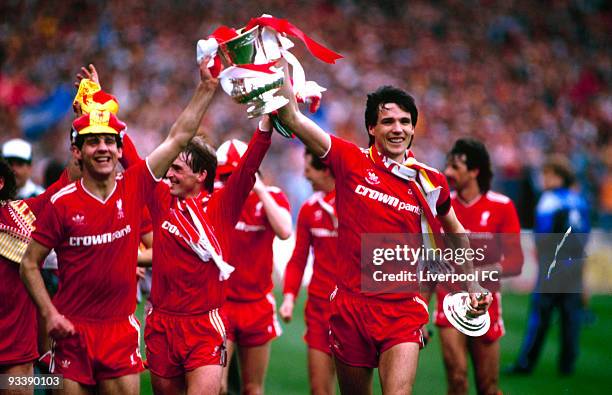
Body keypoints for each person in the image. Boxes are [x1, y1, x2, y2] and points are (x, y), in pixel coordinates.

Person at [276, 77, 492, 394]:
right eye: (387, 121)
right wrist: (279, 63)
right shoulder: (349, 160)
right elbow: (292, 118)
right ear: (372, 129)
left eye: (405, 121)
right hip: (350, 309)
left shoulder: (429, 180)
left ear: (413, 128)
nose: (397, 129)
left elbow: (455, 231)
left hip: (402, 310)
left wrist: (473, 285)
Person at [19, 58, 218, 394]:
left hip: (119, 332)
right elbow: (29, 263)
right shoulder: (61, 202)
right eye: (93, 141)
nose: (103, 148)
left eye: (109, 141)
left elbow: (178, 136)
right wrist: (49, 315)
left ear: (119, 148)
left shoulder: (136, 184)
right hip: (71, 332)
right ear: (77, 152)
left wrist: (205, 90)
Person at [435, 138, 523, 395]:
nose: (448, 173)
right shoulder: (442, 207)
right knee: (457, 378)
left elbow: (515, 263)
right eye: (448, 165)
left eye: (456, 167)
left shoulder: (501, 206)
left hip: (485, 302)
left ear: (474, 171)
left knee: (488, 386)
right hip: (449, 299)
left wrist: (477, 274)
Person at [216, 139, 292, 395]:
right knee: (217, 386)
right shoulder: (217, 199)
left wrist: (259, 189)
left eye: (237, 174)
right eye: (226, 176)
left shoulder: (271, 197)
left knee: (253, 389)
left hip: (257, 305)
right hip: (221, 304)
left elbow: (284, 230)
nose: (232, 181)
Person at [507, 154, 590, 376]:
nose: (544, 179)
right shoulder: (579, 200)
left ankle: (526, 363)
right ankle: (567, 365)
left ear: (558, 176)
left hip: (553, 266)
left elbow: (542, 236)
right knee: (570, 318)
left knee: (540, 317)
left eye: (548, 174)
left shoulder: (549, 200)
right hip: (574, 265)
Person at [279, 148, 337, 395]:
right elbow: (298, 258)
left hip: (355, 309)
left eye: (308, 171)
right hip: (319, 309)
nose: (305, 177)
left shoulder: (359, 203)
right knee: (319, 389)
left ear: (325, 170)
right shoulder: (308, 209)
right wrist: (290, 297)